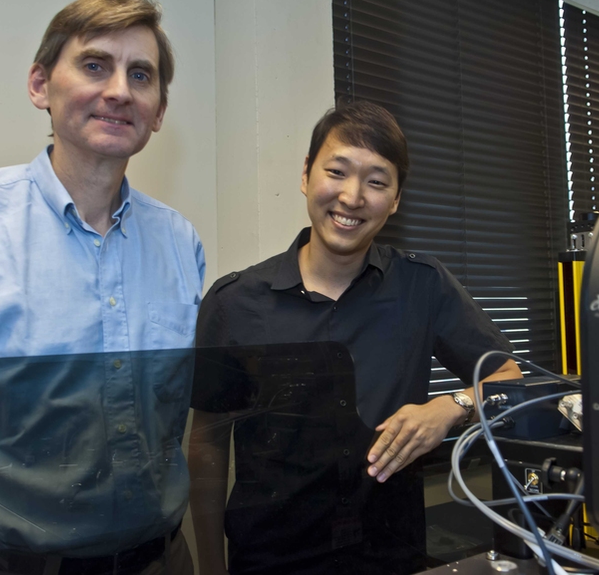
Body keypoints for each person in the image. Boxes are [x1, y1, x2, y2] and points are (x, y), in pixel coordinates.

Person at [0, 0, 203, 575]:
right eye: (95, 65)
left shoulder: (179, 240)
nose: (119, 90)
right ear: (40, 85)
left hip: (157, 559)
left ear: (159, 110)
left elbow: (167, 424)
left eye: (140, 75)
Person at [189, 101, 523, 575]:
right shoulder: (235, 302)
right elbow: (206, 445)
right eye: (337, 172)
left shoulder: (423, 286)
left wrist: (452, 406)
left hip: (392, 559)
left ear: (396, 199)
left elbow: (509, 376)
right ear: (306, 175)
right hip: (269, 562)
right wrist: (208, 566)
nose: (352, 196)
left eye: (377, 181)